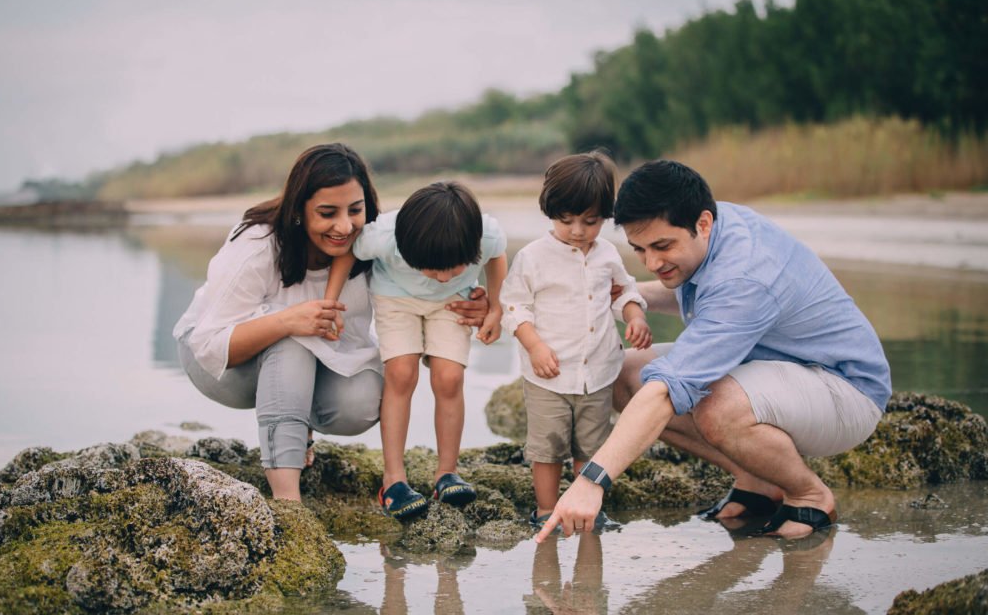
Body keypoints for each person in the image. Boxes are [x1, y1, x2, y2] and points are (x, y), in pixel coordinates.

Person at [537, 159, 891, 540]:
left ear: (702, 224)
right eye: (639, 249)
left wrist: (592, 482)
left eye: (662, 246)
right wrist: (593, 298)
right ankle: (756, 477)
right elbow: (695, 295)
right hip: (779, 367)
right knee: (620, 373)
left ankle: (809, 493)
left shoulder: (744, 276)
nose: (653, 263)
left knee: (714, 404)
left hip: (846, 391)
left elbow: (669, 388)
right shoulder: (713, 224)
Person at [173, 144, 488, 502]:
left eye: (355, 210)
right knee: (291, 341)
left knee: (365, 400)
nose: (344, 225)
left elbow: (429, 282)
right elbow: (209, 343)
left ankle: (299, 426)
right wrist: (287, 320)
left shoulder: (372, 246)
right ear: (298, 211)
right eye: (327, 213)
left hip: (312, 362)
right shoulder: (258, 246)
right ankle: (287, 500)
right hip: (220, 364)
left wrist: (477, 305)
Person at [325, 181, 507, 518]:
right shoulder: (383, 237)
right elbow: (348, 252)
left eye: (451, 268)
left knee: (450, 378)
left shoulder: (485, 233)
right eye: (430, 268)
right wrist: (331, 301)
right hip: (395, 299)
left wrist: (496, 306)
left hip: (453, 303)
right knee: (400, 373)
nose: (439, 277)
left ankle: (446, 474)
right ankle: (393, 480)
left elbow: (497, 257)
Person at [500, 152, 650, 531]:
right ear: (550, 211)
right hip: (548, 373)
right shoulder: (534, 258)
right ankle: (547, 511)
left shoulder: (607, 255)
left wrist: (635, 316)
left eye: (591, 221)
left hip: (596, 371)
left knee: (592, 446)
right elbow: (515, 306)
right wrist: (534, 346)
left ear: (606, 216)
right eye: (566, 220)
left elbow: (622, 291)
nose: (579, 231)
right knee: (547, 448)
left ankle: (589, 509)